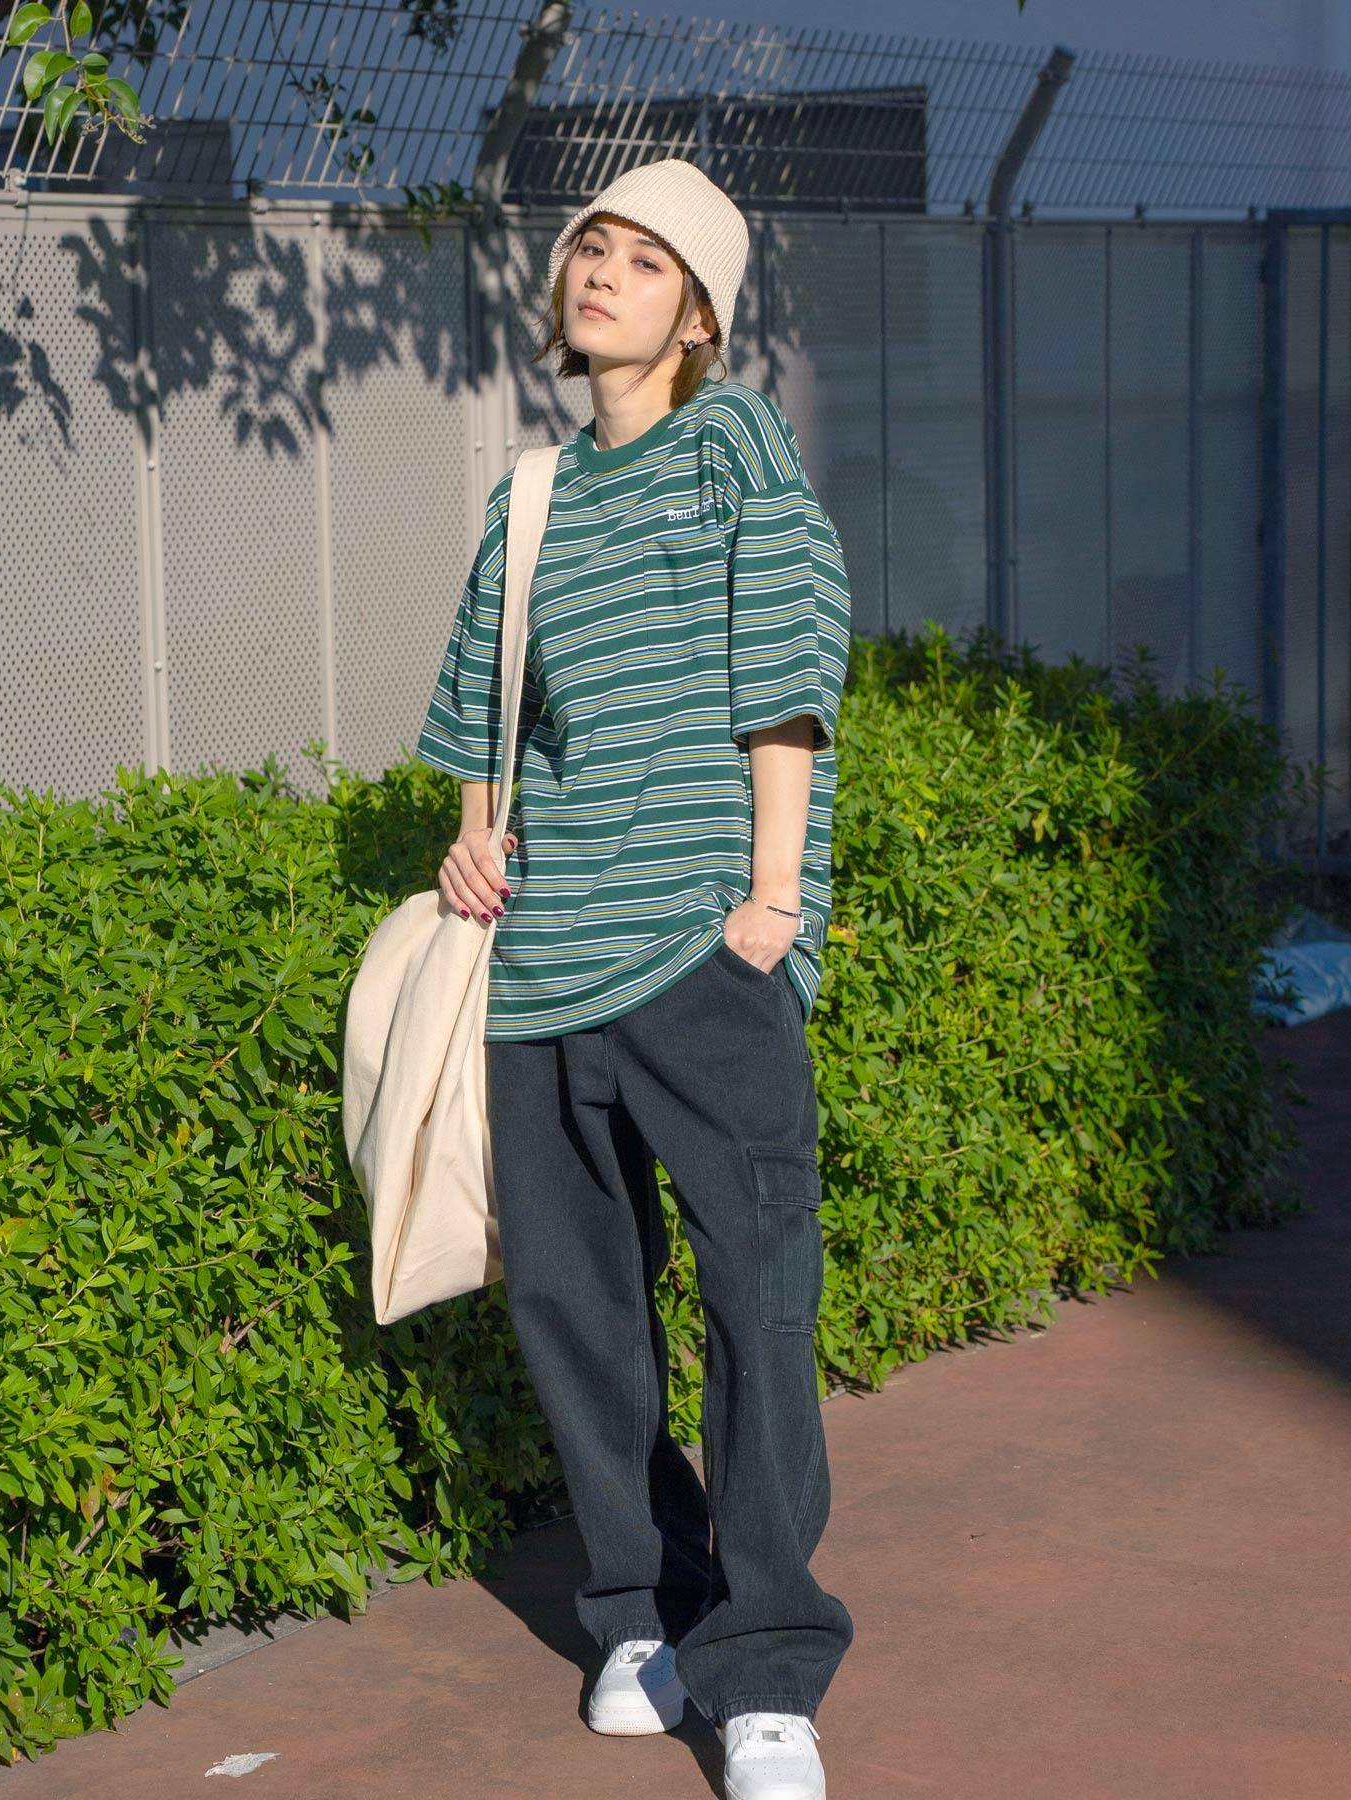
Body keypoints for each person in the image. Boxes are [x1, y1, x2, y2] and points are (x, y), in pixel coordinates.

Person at [413, 155, 853, 1800]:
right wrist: (473, 845)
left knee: (756, 1301)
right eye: (592, 246)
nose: (602, 271)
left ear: (698, 314)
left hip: (698, 953)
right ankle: (638, 1614)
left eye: (647, 260)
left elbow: (787, 667)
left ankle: (768, 1667)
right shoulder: (528, 499)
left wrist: (771, 904)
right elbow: (486, 716)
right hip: (543, 968)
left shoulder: (732, 446)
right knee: (579, 1311)